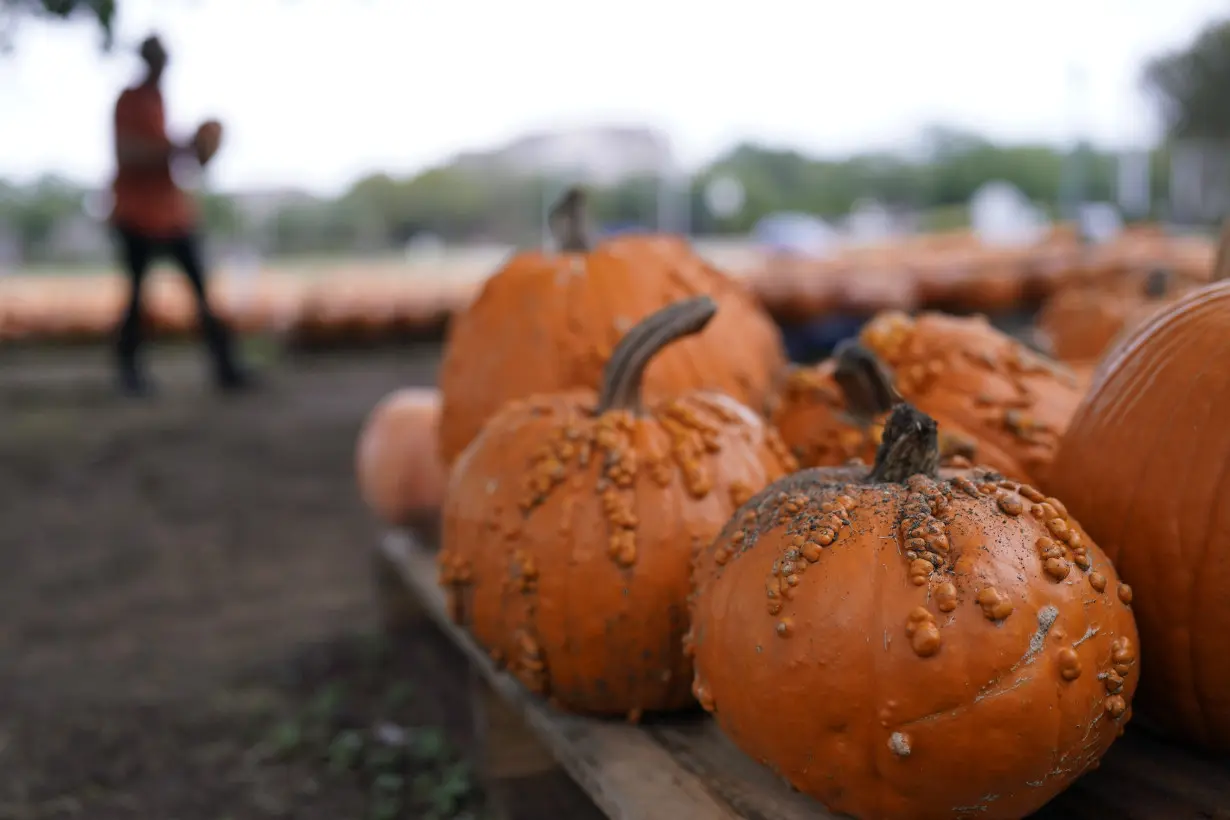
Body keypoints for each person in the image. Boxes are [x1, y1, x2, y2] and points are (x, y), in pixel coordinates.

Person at [109, 34, 253, 395]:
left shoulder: (158, 100)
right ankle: (130, 374)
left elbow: (167, 153)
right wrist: (178, 146)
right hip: (137, 214)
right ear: (148, 61)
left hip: (171, 214)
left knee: (202, 292)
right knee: (138, 297)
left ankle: (225, 367)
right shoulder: (129, 101)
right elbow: (129, 154)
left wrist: (194, 148)